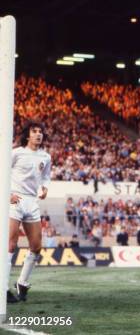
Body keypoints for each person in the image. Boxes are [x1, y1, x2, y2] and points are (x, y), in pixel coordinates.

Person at [7, 122, 52, 303]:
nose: (38, 134)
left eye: (40, 131)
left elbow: (47, 175)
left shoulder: (46, 157)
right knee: (10, 244)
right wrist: (7, 194)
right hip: (15, 200)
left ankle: (22, 283)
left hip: (32, 201)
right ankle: (2, 287)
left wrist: (45, 187)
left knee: (36, 246)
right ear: (27, 135)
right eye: (34, 131)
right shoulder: (16, 153)